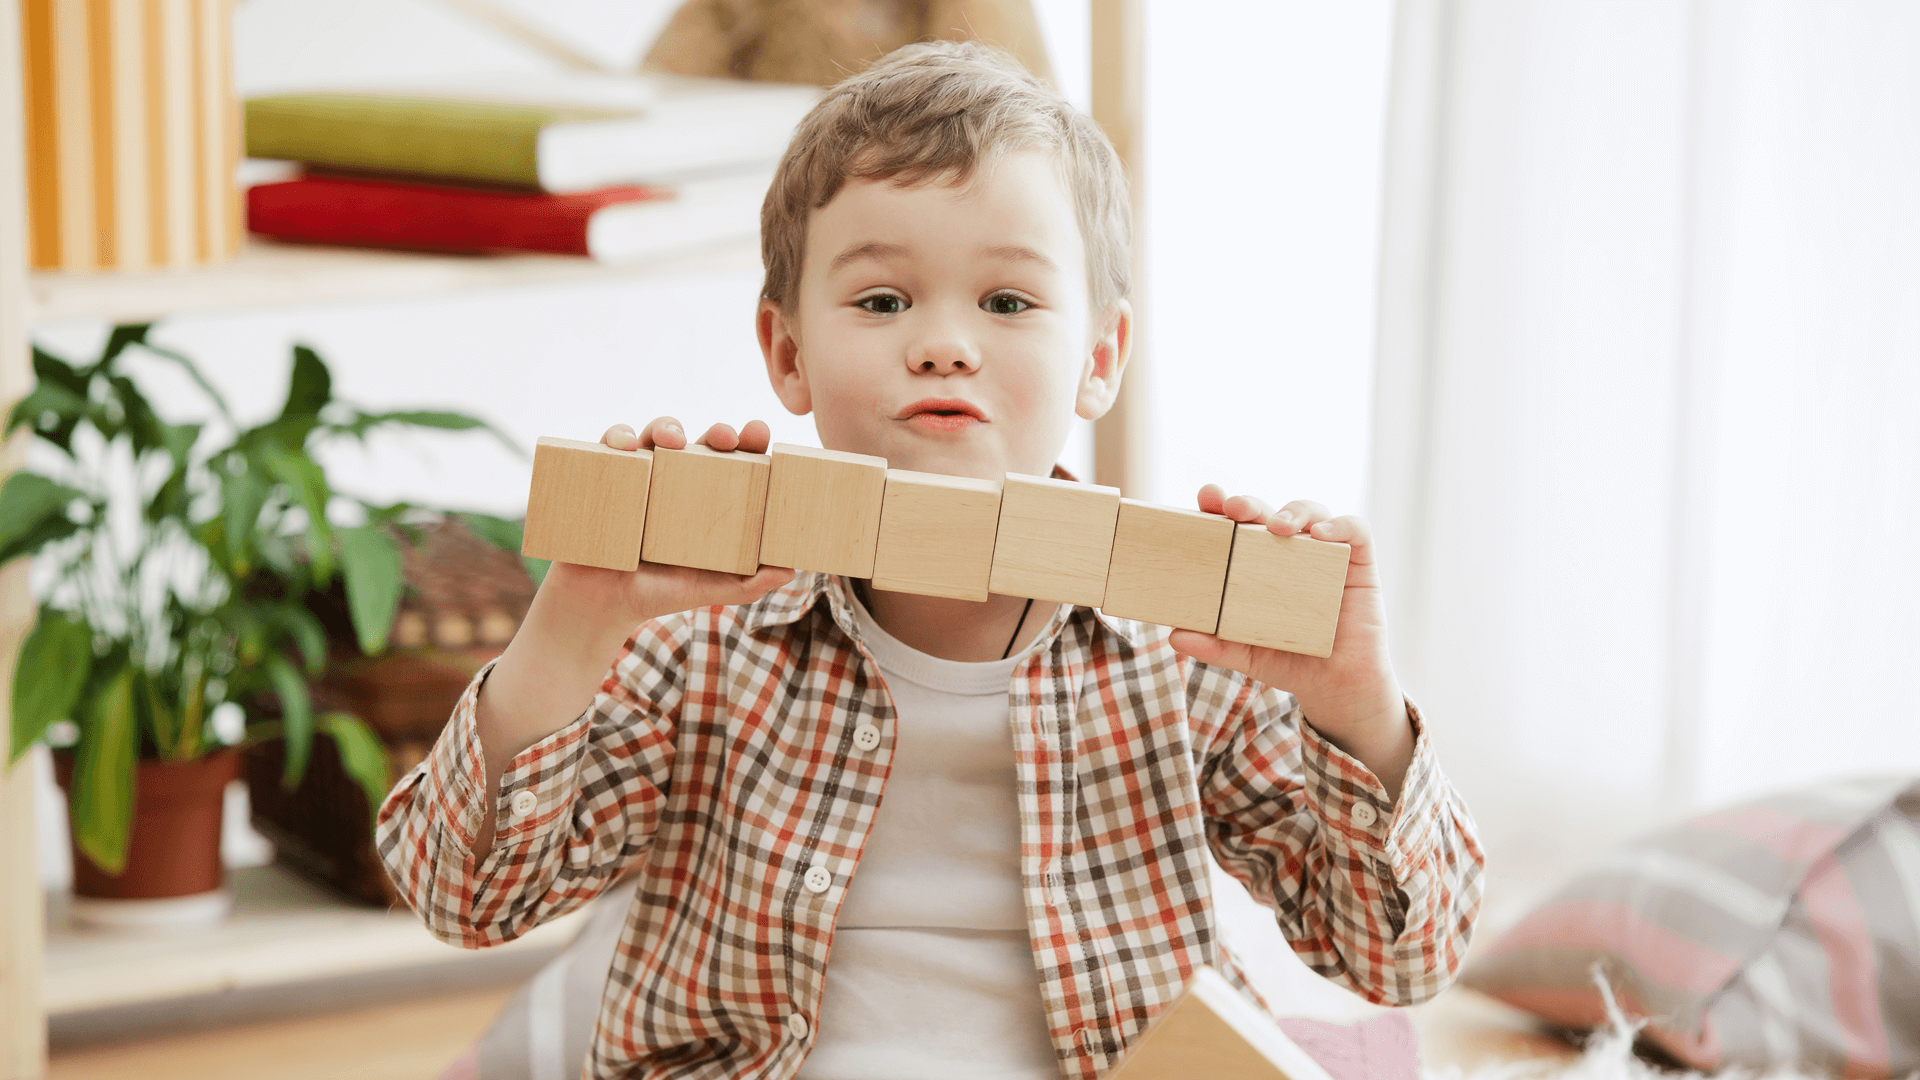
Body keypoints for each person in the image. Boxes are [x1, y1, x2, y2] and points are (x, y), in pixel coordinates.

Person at [378, 40, 1484, 1080]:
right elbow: (462, 898)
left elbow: (1398, 961)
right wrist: (573, 624)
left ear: (1098, 359)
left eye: (1008, 301)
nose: (944, 341)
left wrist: (1362, 715)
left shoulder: (1188, 649)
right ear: (787, 351)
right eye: (881, 300)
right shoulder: (692, 640)